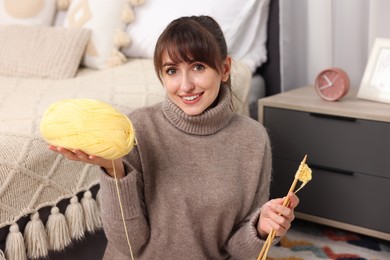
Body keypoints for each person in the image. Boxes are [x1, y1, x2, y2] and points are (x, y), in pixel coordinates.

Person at [49, 15, 299, 260]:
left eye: (198, 67)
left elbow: (239, 250)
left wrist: (261, 228)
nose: (185, 85)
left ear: (224, 69)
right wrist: (114, 170)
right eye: (171, 71)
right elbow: (128, 243)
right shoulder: (136, 128)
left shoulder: (253, 140)